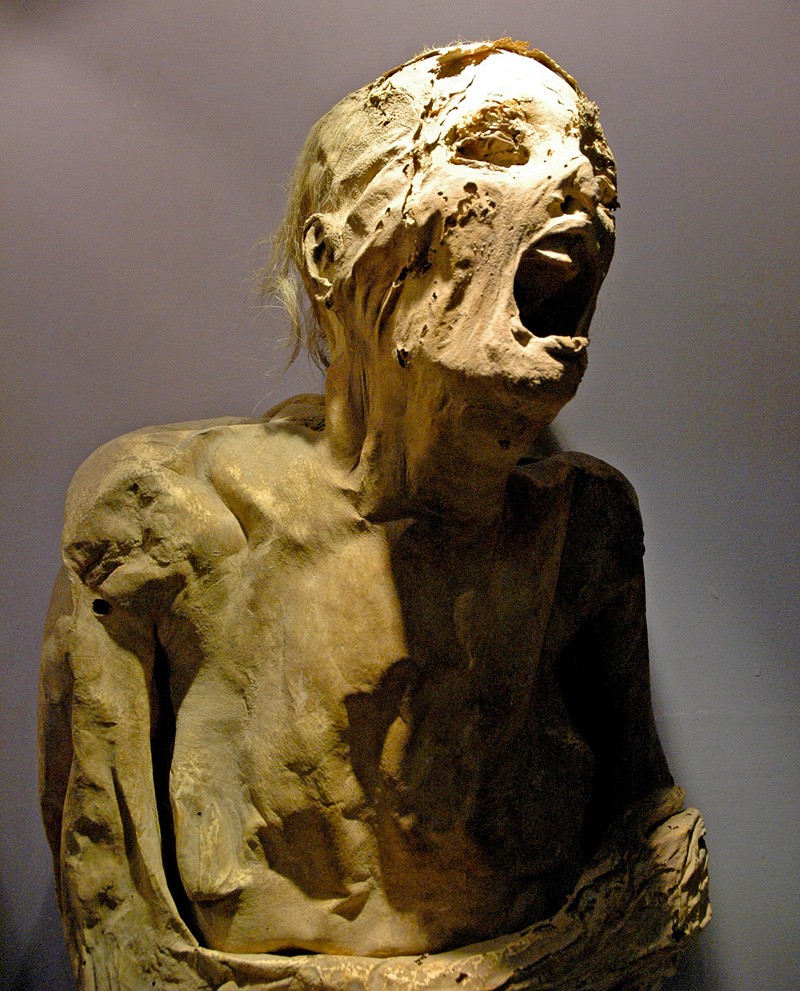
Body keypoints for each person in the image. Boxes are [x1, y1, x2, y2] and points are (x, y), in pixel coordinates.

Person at [40, 40, 682, 978]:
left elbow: (651, 862)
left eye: (598, 168)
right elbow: (117, 931)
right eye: (495, 146)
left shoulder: (581, 536)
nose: (581, 182)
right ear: (331, 252)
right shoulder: (164, 520)